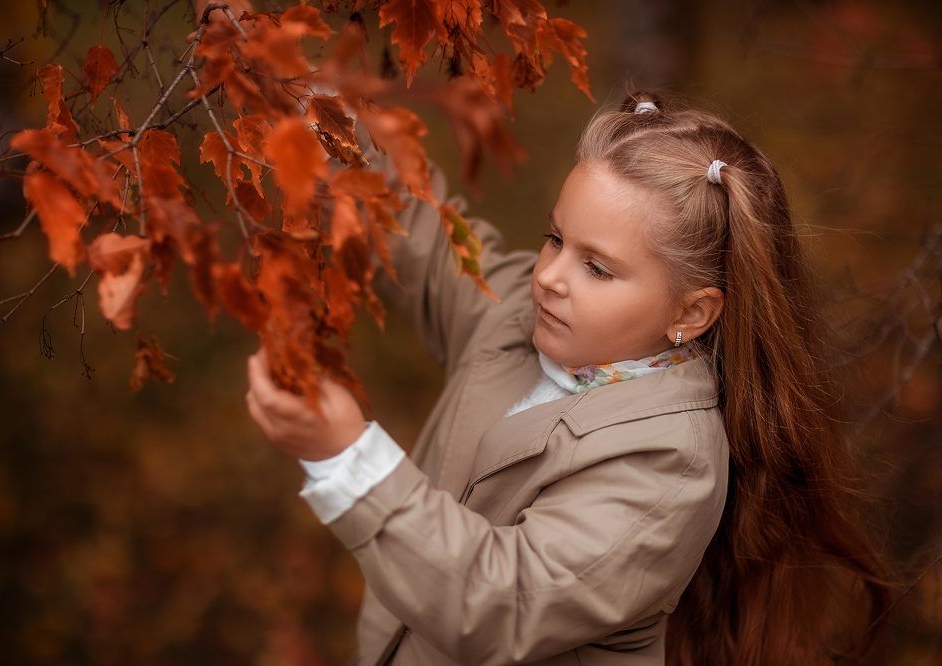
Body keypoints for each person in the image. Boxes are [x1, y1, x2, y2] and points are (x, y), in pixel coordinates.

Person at [245, 91, 893, 665]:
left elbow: (500, 604)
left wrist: (348, 459)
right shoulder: (526, 322)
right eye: (556, 239)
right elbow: (429, 239)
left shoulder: (669, 465)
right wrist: (330, 123)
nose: (551, 275)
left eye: (598, 268)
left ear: (690, 313)